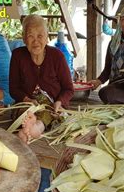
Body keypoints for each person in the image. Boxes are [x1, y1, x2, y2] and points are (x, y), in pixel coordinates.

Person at [8, 14, 74, 143]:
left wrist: (59, 102)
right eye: (31, 36)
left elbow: (68, 89)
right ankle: (27, 129)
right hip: (28, 105)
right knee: (24, 114)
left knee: (47, 114)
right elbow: (13, 88)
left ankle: (33, 129)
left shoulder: (57, 56)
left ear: (47, 37)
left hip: (52, 106)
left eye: (40, 36)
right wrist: (27, 100)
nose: (35, 41)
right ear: (24, 38)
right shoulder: (18, 55)